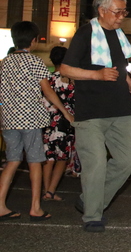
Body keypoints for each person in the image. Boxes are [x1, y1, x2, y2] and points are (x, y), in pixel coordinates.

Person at [61, 0, 131, 233]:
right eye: (117, 12)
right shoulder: (85, 33)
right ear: (102, 10)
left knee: (127, 162)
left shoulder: (119, 35)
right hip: (91, 112)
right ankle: (92, 215)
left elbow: (120, 68)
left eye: (123, 12)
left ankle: (90, 200)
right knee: (96, 163)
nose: (121, 17)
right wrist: (95, 74)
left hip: (120, 109)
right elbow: (66, 69)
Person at [0, 21, 74, 221]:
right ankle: (35, 207)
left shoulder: (4, 62)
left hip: (8, 119)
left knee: (12, 161)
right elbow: (47, 91)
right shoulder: (35, 62)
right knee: (35, 162)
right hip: (30, 120)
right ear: (33, 41)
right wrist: (66, 113)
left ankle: (0, 206)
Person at [42, 46, 77, 202]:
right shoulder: (69, 81)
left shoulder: (46, 80)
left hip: (46, 122)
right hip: (65, 122)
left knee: (49, 157)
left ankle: (45, 190)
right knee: (62, 158)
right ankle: (51, 191)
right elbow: (76, 103)